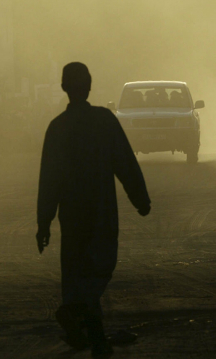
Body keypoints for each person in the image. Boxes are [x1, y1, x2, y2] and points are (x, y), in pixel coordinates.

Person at [37, 62, 151, 357]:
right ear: (89, 86)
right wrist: (140, 198)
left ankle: (88, 327)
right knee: (100, 265)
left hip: (71, 215)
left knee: (75, 269)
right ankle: (82, 317)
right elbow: (125, 162)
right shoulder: (104, 121)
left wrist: (44, 223)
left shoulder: (57, 128)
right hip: (101, 210)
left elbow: (48, 181)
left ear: (64, 87)